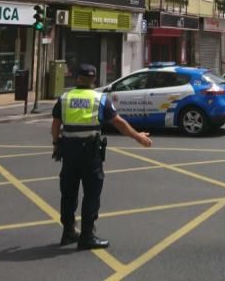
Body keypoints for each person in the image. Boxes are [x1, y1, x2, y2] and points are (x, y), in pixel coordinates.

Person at [51, 64, 152, 250]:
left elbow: (55, 124)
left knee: (68, 193)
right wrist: (138, 137)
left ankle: (68, 233)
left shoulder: (65, 98)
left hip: (69, 153)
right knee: (91, 194)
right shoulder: (99, 99)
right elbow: (119, 123)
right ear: (94, 80)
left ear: (77, 78)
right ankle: (87, 236)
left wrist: (56, 144)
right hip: (90, 154)